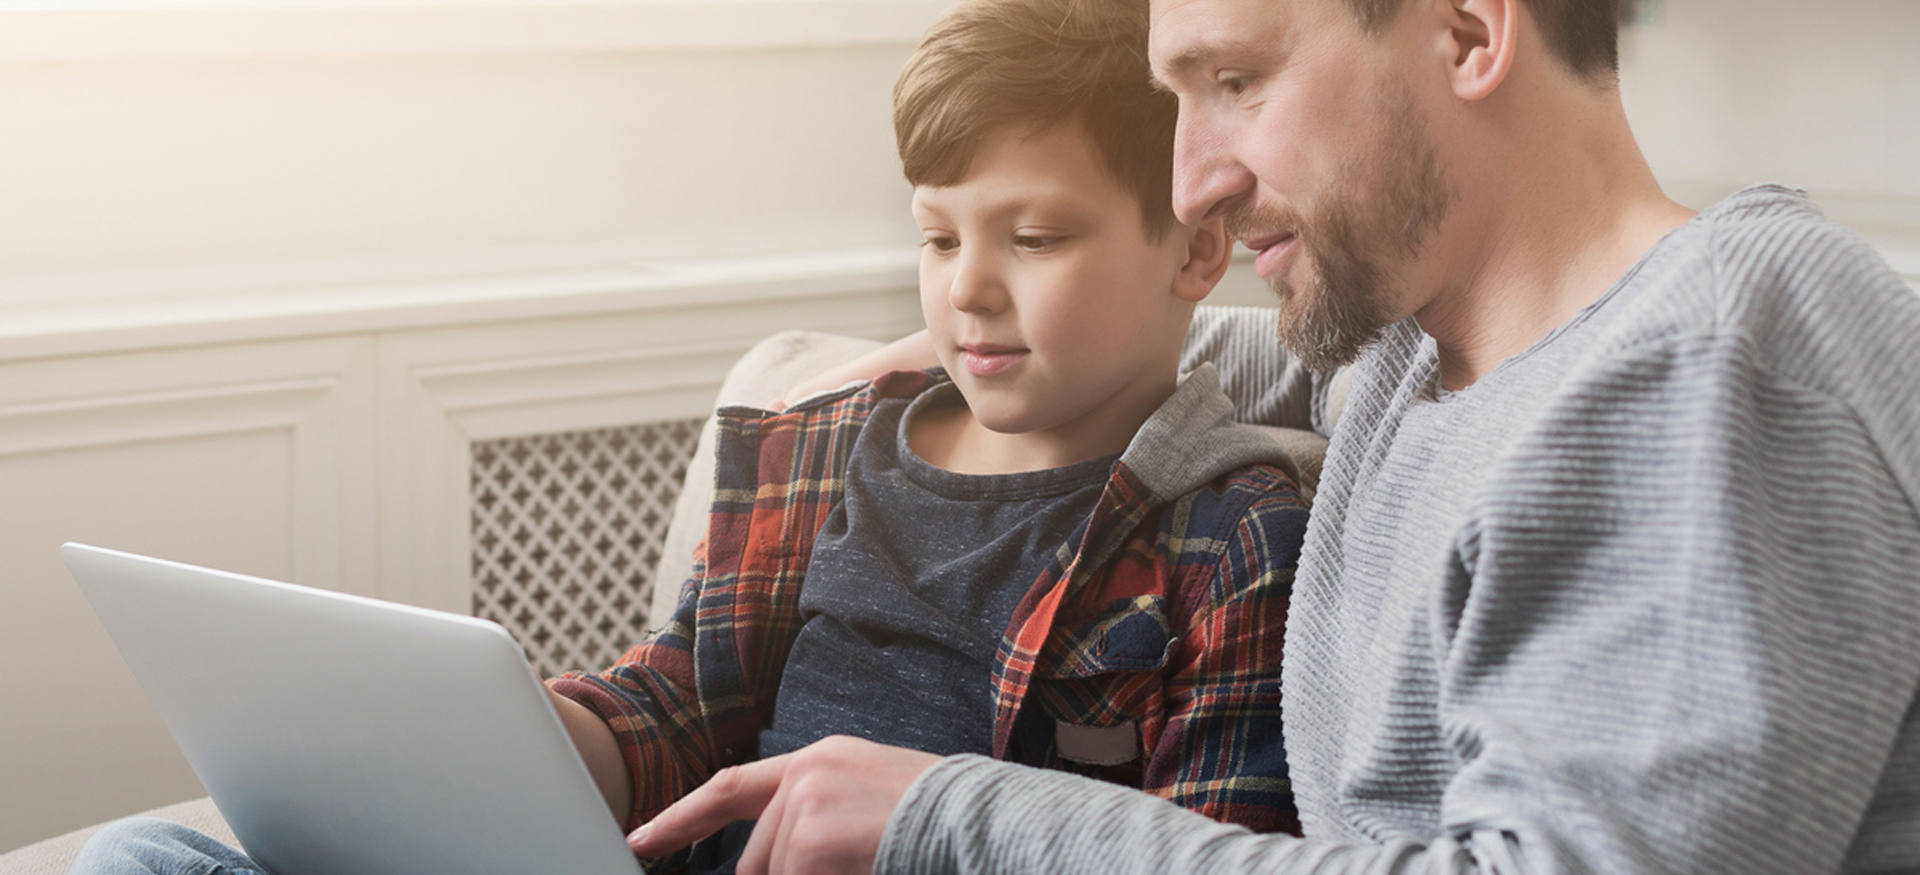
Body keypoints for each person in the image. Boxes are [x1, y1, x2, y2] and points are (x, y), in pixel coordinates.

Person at [625, 0, 1920, 872]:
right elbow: (1268, 363)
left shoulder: (1722, 353)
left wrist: (946, 813)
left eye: (1235, 81)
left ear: (1467, 29)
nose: (1195, 178)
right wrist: (975, 344)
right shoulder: (1418, 350)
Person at [63, 1, 1313, 873]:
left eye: (1033, 239)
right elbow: (684, 706)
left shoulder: (1231, 535)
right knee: (136, 854)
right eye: (938, 238)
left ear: (1198, 248)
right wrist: (536, 742)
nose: (968, 291)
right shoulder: (820, 446)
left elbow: (1202, 846)